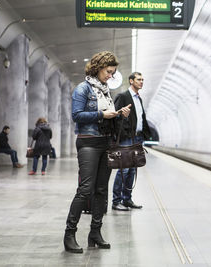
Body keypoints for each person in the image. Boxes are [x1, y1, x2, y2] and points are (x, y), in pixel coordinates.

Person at [64, 51, 130, 254]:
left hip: (105, 143)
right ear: (98, 67)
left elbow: (106, 117)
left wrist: (119, 115)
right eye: (109, 72)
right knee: (85, 189)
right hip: (88, 143)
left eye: (113, 73)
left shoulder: (105, 91)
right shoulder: (83, 89)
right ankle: (69, 234)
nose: (110, 76)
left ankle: (95, 233)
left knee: (102, 190)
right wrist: (102, 114)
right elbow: (77, 116)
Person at [112, 72, 150, 211]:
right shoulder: (123, 96)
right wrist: (122, 134)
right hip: (127, 138)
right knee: (124, 169)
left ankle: (127, 199)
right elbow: (115, 116)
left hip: (137, 138)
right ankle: (116, 201)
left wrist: (145, 134)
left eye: (142, 79)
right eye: (139, 79)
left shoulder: (138, 99)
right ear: (131, 81)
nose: (141, 82)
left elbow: (141, 118)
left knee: (133, 170)